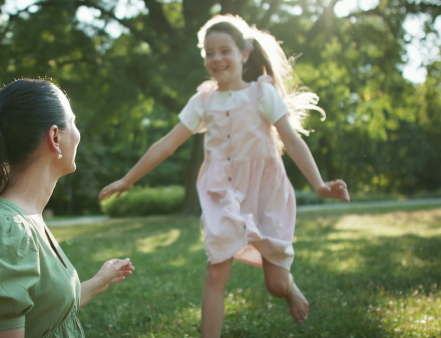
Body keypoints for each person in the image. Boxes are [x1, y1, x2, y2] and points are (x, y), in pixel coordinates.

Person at [99, 15, 349, 337]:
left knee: (275, 285)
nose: (216, 59)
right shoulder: (204, 101)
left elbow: (291, 139)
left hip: (265, 190)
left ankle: (289, 288)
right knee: (215, 273)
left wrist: (320, 185)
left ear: (244, 54)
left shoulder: (262, 94)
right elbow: (166, 145)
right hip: (223, 193)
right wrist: (128, 179)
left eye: (224, 51)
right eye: (209, 52)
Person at [0, 78, 134, 338]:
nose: (78, 132)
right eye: (72, 123)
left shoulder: (24, 218)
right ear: (55, 137)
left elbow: (43, 311)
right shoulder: (3, 232)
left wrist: (98, 282)